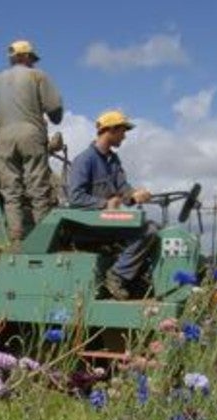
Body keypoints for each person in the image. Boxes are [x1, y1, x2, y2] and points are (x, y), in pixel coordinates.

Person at [0, 40, 64, 252]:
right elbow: (55, 107)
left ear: (12, 58)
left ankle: (16, 240)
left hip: (5, 138)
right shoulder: (38, 76)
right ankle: (44, 239)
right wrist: (55, 117)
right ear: (28, 57)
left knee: (11, 191)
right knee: (38, 187)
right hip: (31, 134)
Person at [67, 110, 158, 300]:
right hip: (89, 227)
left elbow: (123, 191)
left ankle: (134, 280)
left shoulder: (113, 160)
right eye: (123, 131)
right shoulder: (85, 160)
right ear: (111, 130)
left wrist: (135, 195)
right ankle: (117, 276)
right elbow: (75, 197)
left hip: (108, 223)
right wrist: (104, 204)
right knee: (147, 230)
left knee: (153, 228)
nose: (124, 136)